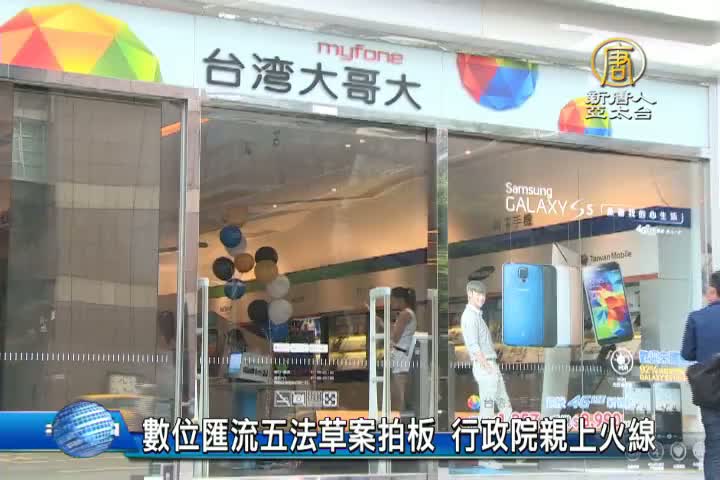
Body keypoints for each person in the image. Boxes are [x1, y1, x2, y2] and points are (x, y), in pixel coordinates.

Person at [681, 270, 720, 480]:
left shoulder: (696, 318)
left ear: (712, 291)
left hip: (709, 391)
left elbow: (687, 354)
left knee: (714, 447)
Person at [377, 287, 417, 414]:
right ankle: (405, 418)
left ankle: (405, 420)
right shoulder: (408, 314)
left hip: (401, 358)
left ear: (400, 300)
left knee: (402, 395)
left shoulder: (405, 314)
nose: (392, 304)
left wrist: (384, 327)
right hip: (402, 357)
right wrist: (382, 322)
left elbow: (395, 336)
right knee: (402, 395)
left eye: (393, 300)